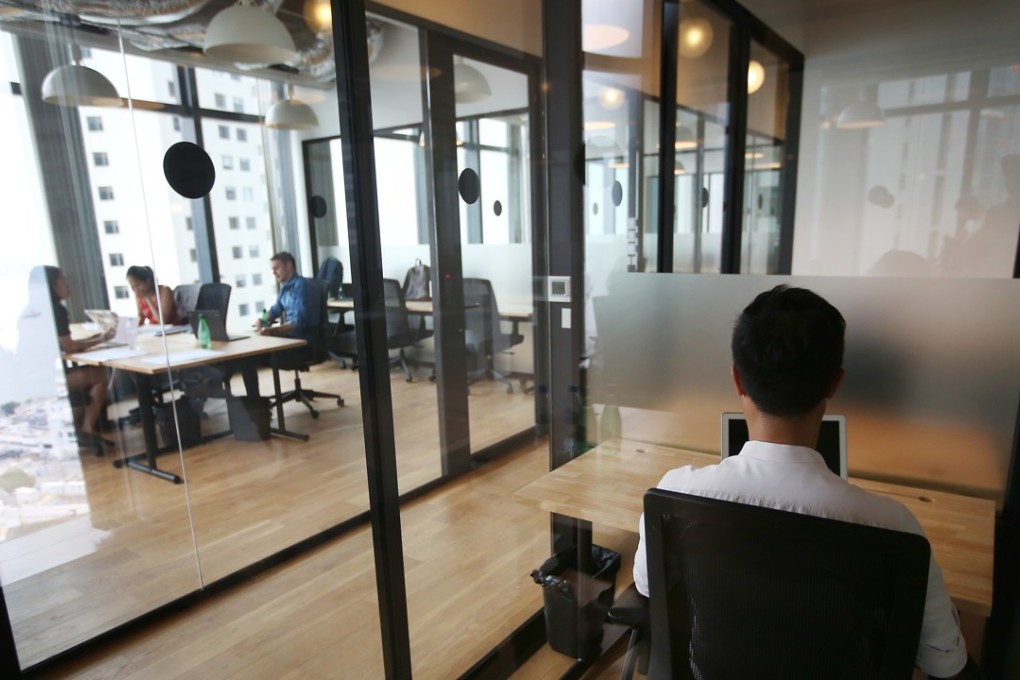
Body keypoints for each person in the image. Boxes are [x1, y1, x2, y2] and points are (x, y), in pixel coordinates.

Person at [632, 285, 968, 679]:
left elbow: (648, 584)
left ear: (737, 380)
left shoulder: (676, 494)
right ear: (835, 384)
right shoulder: (893, 526)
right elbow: (945, 662)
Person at [28, 266, 114, 451]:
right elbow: (69, 346)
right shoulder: (56, 311)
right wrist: (102, 339)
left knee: (91, 372)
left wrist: (97, 338)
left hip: (29, 377)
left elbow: (64, 343)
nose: (68, 285)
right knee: (99, 374)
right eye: (63, 281)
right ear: (52, 286)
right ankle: (88, 428)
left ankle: (80, 426)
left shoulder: (33, 309)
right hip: (44, 380)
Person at [242, 251, 321, 396]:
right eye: (272, 269)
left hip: (304, 343)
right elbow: (275, 310)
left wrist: (273, 331)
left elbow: (300, 323)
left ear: (289, 266)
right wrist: (262, 320)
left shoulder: (302, 287)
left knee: (249, 357)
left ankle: (257, 404)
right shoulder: (285, 288)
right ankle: (255, 402)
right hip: (291, 338)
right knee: (247, 354)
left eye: (276, 268)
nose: (274, 272)